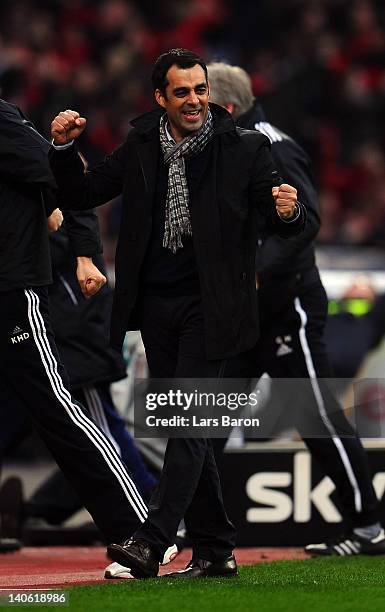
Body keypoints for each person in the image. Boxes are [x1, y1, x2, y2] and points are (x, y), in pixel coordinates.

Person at [49, 48, 304, 579]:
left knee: (189, 423)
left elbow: (285, 223)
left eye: (201, 89)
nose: (194, 100)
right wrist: (62, 148)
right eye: (182, 92)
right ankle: (215, 549)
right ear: (160, 98)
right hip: (156, 307)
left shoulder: (246, 148)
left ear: (211, 92)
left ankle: (154, 537)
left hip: (216, 310)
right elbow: (86, 190)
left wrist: (289, 209)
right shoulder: (142, 143)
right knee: (186, 424)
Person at [207, 62, 385, 556]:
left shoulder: (273, 146)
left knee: (316, 416)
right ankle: (193, 524)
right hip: (246, 309)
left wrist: (256, 272)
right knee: (209, 414)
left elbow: (304, 222)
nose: (192, 112)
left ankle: (368, 525)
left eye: (200, 101)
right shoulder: (233, 144)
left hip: (286, 308)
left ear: (223, 107)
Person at [0, 96, 151, 559]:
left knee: (64, 412)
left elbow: (67, 175)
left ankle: (137, 528)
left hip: (14, 292)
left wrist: (85, 252)